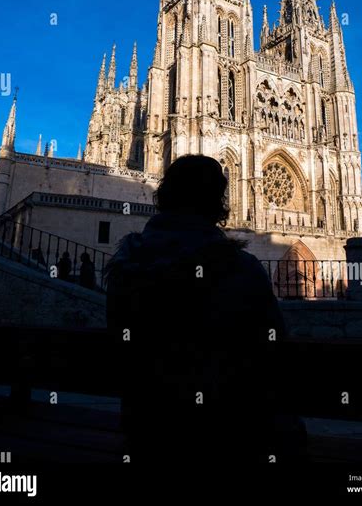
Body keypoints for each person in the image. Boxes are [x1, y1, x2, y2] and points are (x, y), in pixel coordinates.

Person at [106, 154, 305, 464]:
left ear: (162, 198)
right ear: (220, 203)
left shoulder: (125, 268)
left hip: (145, 433)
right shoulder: (241, 269)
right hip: (227, 435)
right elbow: (275, 354)